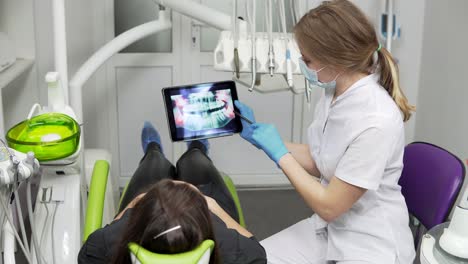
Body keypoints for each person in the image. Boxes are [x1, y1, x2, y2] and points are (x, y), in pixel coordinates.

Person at [235, 0, 416, 263]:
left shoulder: (376, 120)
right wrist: (260, 137)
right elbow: (324, 160)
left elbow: (330, 205)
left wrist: (279, 153)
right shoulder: (334, 92)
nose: (302, 64)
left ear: (334, 59)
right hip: (332, 230)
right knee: (255, 258)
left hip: (371, 243)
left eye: (307, 59)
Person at [78, 122, 266, 264]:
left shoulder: (103, 248)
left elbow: (96, 242)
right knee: (194, 163)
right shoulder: (232, 250)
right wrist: (210, 204)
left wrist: (136, 201)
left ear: (137, 222)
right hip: (200, 209)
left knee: (153, 166)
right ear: (204, 220)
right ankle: (197, 148)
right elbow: (257, 250)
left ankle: (153, 150)